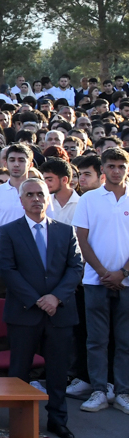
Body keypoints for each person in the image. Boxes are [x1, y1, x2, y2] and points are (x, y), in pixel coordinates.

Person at [0, 177, 84, 438]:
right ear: (21, 200)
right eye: (30, 195)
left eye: (40, 194)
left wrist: (55, 298)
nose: (36, 199)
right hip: (24, 312)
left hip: (59, 313)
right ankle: (20, 421)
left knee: (57, 371)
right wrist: (37, 300)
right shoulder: (9, 231)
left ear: (48, 199)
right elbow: (7, 269)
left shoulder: (65, 231)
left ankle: (57, 420)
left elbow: (75, 268)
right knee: (19, 370)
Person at [71, 147, 129, 415]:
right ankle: (99, 390)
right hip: (96, 281)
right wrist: (104, 273)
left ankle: (123, 392)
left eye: (121, 166)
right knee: (96, 340)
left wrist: (123, 273)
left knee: (125, 340)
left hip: (126, 281)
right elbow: (82, 239)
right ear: (103, 169)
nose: (116, 171)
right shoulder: (89, 199)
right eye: (111, 166)